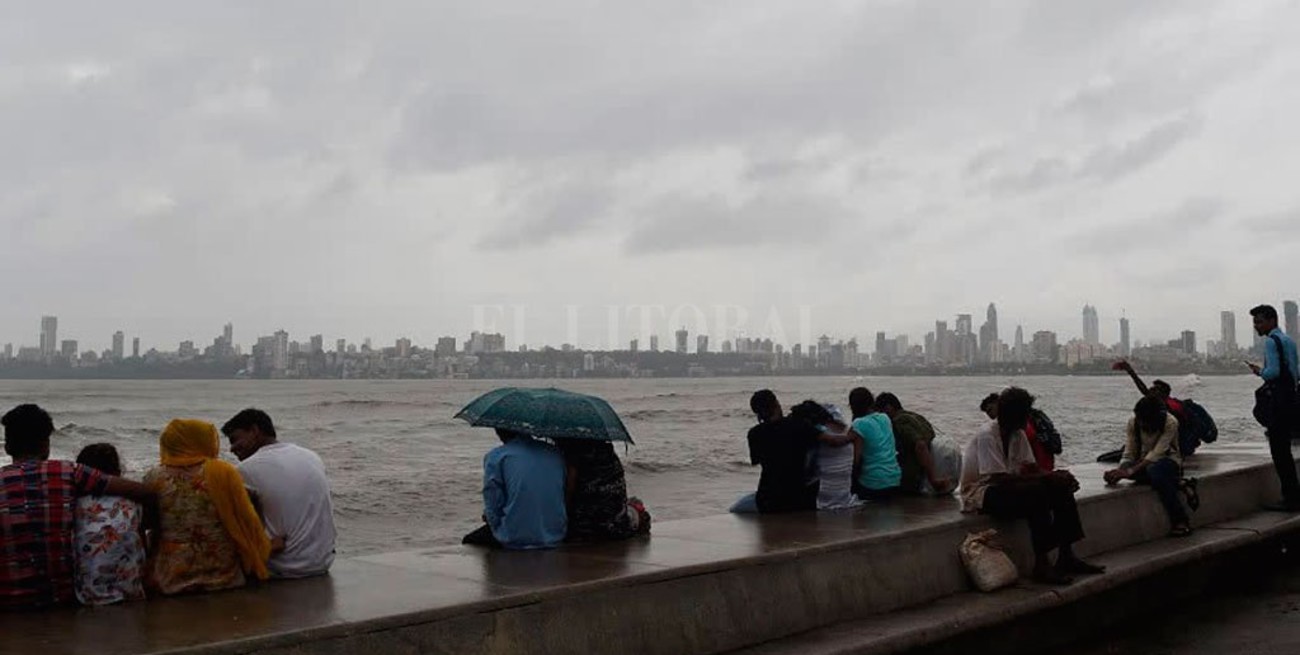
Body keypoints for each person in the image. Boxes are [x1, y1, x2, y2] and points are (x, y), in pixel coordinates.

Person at [0, 404, 156, 610]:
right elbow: (144, 491)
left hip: (7, 601)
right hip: (61, 597)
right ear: (46, 444)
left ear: (7, 447)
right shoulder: (70, 472)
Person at [960, 388, 1103, 585]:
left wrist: (1056, 477)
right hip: (980, 493)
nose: (1029, 416)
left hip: (1005, 486)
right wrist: (1045, 479)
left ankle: (1066, 554)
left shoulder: (1018, 434)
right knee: (1036, 494)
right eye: (1026, 412)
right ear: (1017, 415)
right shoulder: (987, 436)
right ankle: (1041, 564)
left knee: (1061, 488)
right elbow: (999, 478)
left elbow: (1031, 468)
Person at [144, 419, 271, 595]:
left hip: (172, 577)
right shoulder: (222, 471)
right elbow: (248, 514)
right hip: (223, 574)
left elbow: (151, 524)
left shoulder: (154, 477)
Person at [221, 409, 337, 578]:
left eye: (235, 440)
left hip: (284, 567)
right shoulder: (310, 455)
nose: (232, 449)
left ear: (254, 431)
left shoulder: (246, 469)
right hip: (322, 561)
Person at [731, 390, 855, 513]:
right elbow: (833, 441)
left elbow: (756, 460)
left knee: (736, 508)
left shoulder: (754, 434)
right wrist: (852, 436)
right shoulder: (799, 425)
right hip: (798, 499)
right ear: (777, 403)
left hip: (768, 499)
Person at [462, 429, 567, 549]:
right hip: (556, 534)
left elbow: (493, 501)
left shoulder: (497, 456)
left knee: (468, 542)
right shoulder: (554, 453)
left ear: (499, 433)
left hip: (513, 537)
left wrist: (494, 522)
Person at [1104, 396, 1193, 537]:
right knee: (1146, 473)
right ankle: (1179, 483)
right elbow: (1130, 451)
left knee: (1156, 473)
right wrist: (1121, 470)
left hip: (1168, 460)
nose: (1143, 424)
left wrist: (1130, 471)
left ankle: (1180, 520)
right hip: (1143, 462)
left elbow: (1158, 452)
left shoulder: (1170, 422)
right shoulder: (1133, 423)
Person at [74, 443, 149, 605]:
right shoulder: (132, 501)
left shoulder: (75, 504)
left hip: (86, 596)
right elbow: (140, 543)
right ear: (117, 471)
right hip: (131, 592)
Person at [1248, 304, 1300, 511]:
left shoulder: (1271, 341)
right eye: (1254, 322)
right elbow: (1295, 371)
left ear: (1271, 321)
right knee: (1285, 450)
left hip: (1278, 402)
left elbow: (1273, 373)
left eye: (1259, 321)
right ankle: (1294, 496)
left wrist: (1259, 372)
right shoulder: (1288, 340)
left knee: (1280, 452)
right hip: (1291, 399)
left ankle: (1290, 499)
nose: (1256, 326)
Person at [1113, 359, 1217, 456]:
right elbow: (1144, 390)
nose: (1150, 391)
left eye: (1154, 390)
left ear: (1162, 393)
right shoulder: (1160, 404)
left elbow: (1179, 429)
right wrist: (1130, 371)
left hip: (1183, 446)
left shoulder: (1170, 406)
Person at [553, 438, 650, 542]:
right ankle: (638, 513)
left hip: (581, 527)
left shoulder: (571, 458)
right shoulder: (608, 454)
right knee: (634, 503)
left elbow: (569, 492)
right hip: (614, 526)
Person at [874, 393, 956, 496]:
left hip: (912, 478)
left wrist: (933, 480)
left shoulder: (899, 421)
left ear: (888, 408)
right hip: (922, 474)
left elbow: (920, 445)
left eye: (879, 412)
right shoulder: (917, 417)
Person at [788, 401, 862, 510]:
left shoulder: (817, 433)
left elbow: (805, 470)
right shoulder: (846, 431)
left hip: (823, 499)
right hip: (844, 496)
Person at [981, 392, 1061, 471]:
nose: (990, 416)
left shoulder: (1019, 426)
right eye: (988, 413)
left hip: (1039, 461)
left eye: (990, 410)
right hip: (1042, 464)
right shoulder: (1031, 417)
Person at [847, 387, 902, 500]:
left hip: (873, 483)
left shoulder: (859, 424)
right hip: (894, 479)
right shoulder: (885, 418)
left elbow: (857, 460)